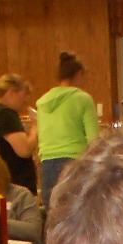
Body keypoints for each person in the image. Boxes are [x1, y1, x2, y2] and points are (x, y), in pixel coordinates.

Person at [36, 51, 98, 211]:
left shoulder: (42, 102)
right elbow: (94, 140)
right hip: (74, 162)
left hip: (47, 163)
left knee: (53, 215)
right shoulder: (83, 98)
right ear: (78, 74)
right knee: (76, 214)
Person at [0, 74, 38, 196]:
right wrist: (36, 127)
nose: (24, 104)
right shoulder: (4, 113)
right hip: (13, 186)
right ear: (11, 93)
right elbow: (24, 150)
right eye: (23, 98)